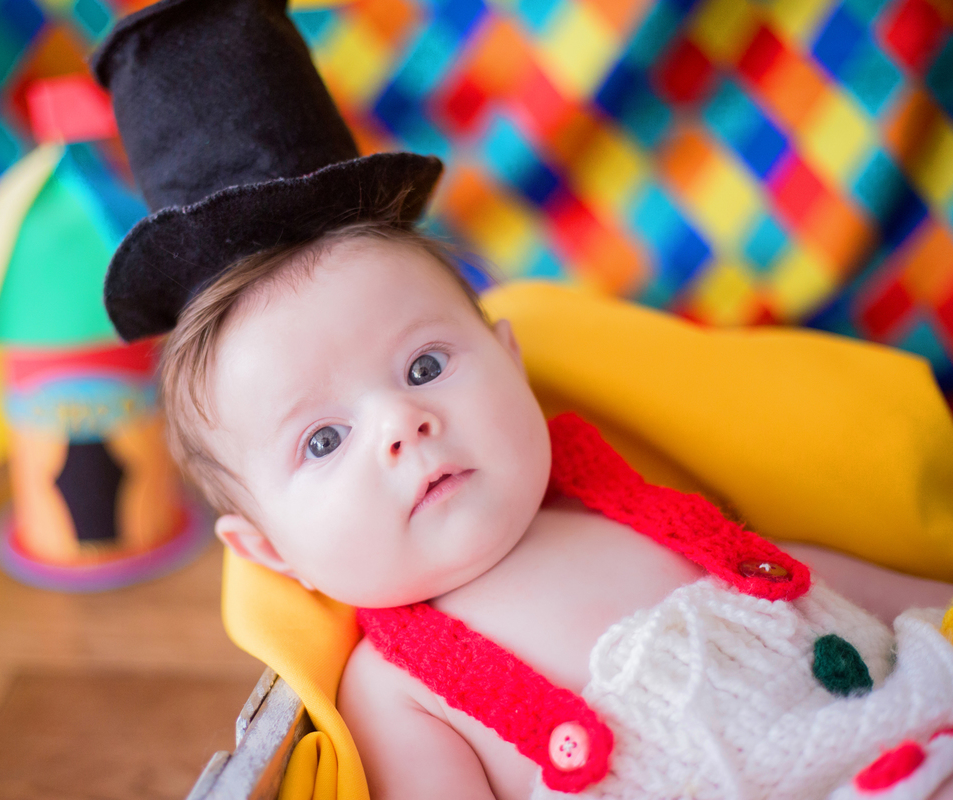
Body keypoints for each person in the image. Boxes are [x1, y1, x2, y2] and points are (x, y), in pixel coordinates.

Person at [90, 0, 953, 796]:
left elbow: (799, 581)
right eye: (322, 441)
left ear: (510, 362)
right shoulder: (395, 688)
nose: (402, 422)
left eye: (426, 366)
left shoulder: (621, 503)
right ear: (269, 548)